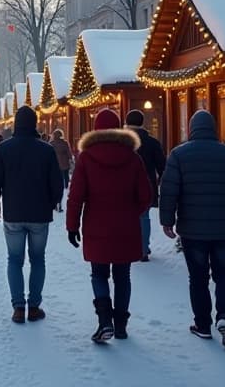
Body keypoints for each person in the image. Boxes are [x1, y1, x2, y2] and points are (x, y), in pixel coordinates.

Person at [160, 110, 225, 348]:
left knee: (198, 278)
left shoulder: (179, 155)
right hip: (224, 229)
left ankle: (202, 324)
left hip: (193, 229)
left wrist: (167, 220)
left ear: (191, 128)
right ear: (213, 128)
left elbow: (170, 191)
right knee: (224, 274)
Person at [67, 109, 152, 343]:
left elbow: (76, 196)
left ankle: (104, 320)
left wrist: (72, 226)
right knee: (123, 276)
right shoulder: (133, 157)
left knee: (99, 274)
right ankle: (121, 324)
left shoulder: (86, 157)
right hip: (126, 227)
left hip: (97, 226)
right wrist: (131, 212)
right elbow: (146, 195)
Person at [0, 106, 64, 323]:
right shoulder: (46, 150)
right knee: (38, 259)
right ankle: (34, 306)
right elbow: (56, 183)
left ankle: (18, 307)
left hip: (13, 212)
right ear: (35, 123)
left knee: (14, 259)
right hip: (39, 214)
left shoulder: (3, 149)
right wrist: (51, 203)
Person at [125, 109, 166, 262]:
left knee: (126, 216)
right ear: (142, 123)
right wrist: (162, 181)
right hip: (147, 185)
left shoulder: (121, 141)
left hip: (124, 186)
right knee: (143, 217)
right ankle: (143, 250)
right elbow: (162, 166)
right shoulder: (152, 142)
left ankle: (129, 246)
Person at [50, 129, 74, 212]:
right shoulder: (65, 143)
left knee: (56, 183)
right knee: (65, 179)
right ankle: (66, 188)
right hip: (64, 165)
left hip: (54, 167)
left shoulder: (51, 144)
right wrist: (71, 159)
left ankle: (56, 202)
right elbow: (69, 153)